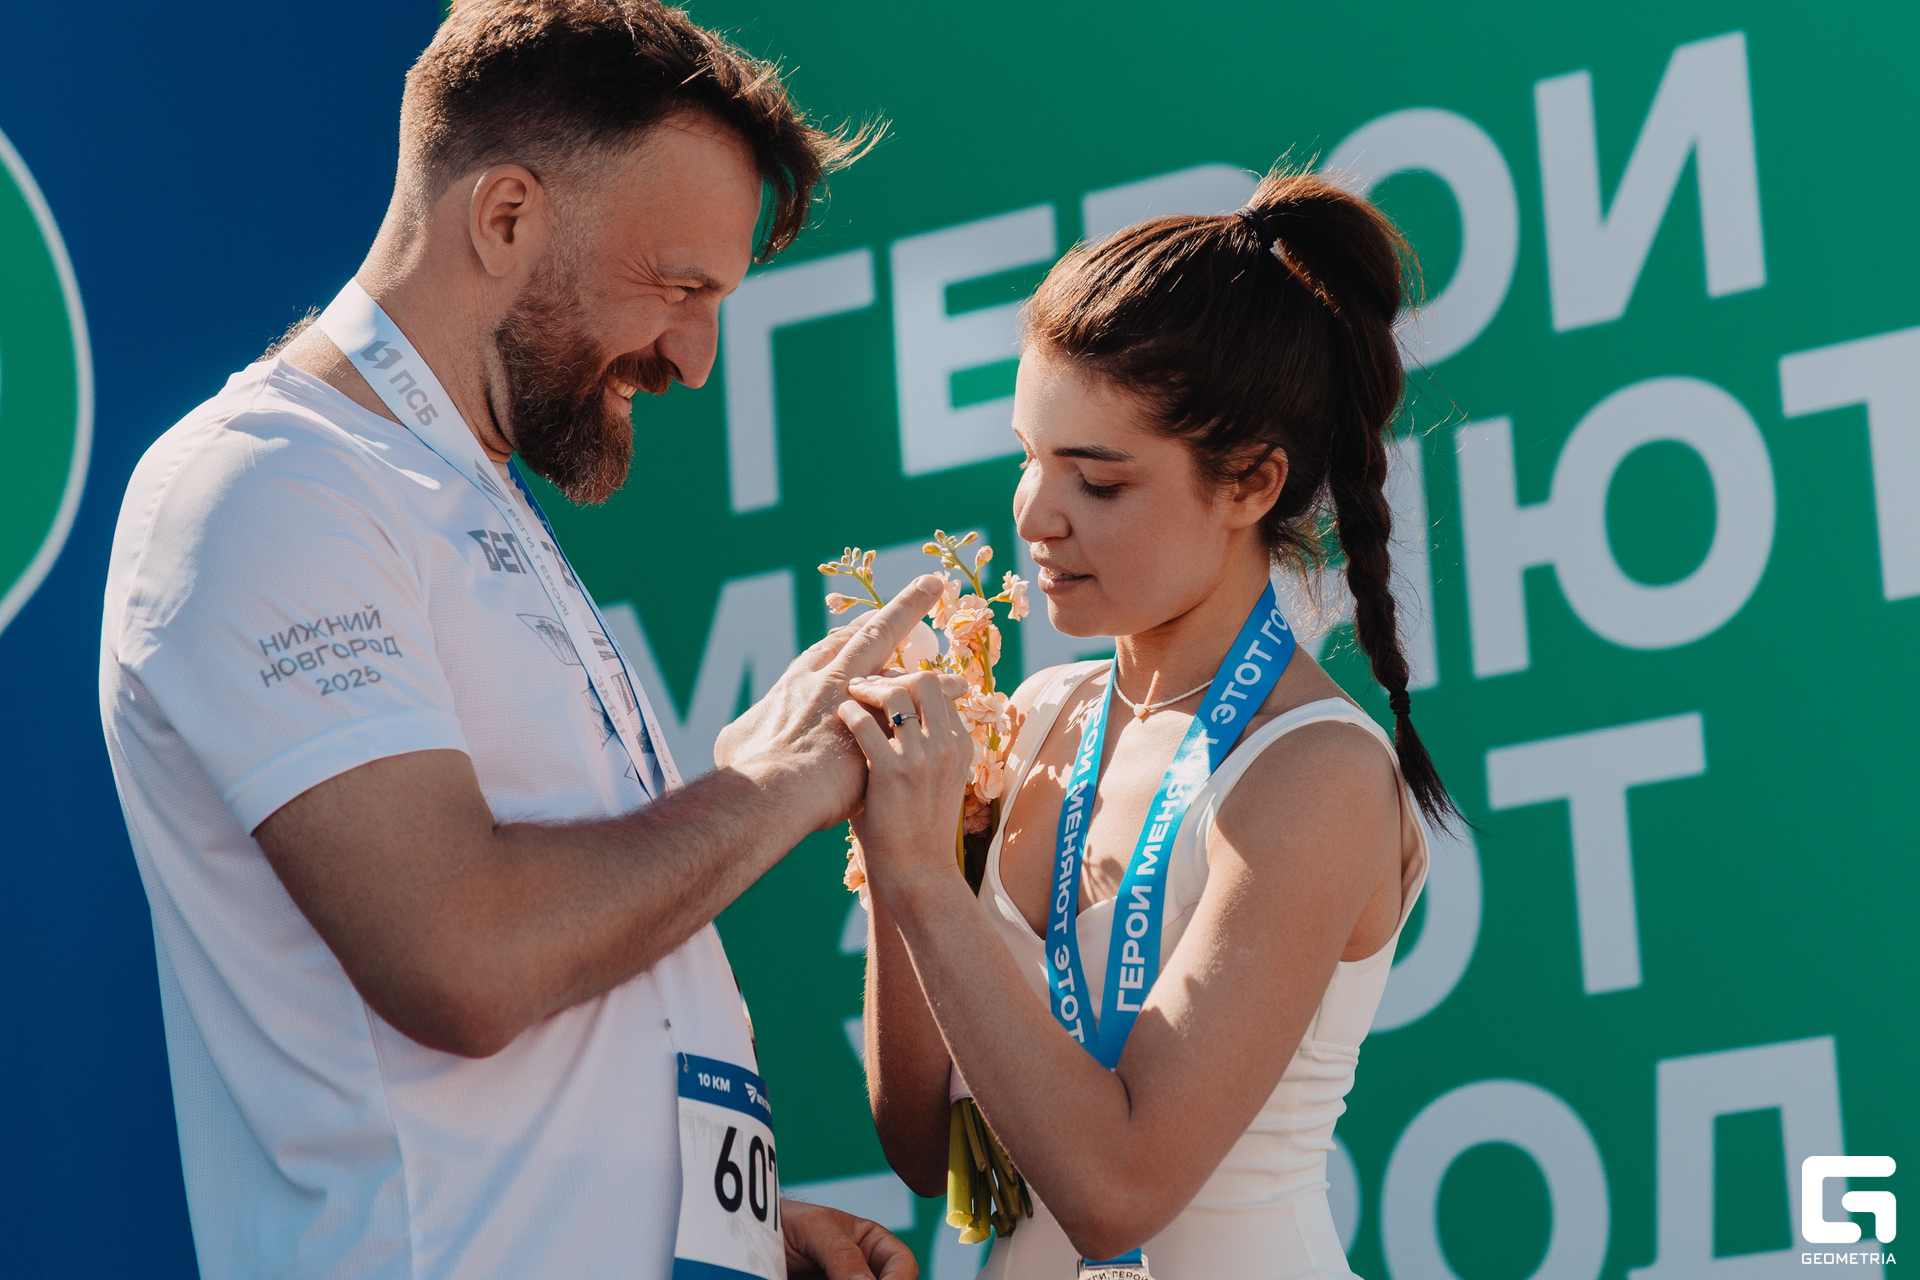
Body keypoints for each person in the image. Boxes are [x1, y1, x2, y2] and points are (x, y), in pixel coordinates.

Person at [98, 2, 939, 1276]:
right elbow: (465, 957)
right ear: (504, 217)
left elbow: (565, 1020)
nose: (696, 358)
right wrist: (773, 787)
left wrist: (743, 1235)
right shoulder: (266, 485)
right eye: (680, 288)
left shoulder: (460, 492)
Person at [840, 169, 1456, 1279]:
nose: (1036, 513)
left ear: (1251, 483)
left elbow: (1116, 1190)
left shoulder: (1315, 769)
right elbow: (924, 1144)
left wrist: (930, 879)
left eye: (1098, 481)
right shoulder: (1034, 718)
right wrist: (897, 841)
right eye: (1028, 456)